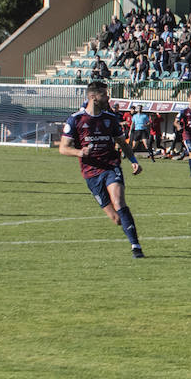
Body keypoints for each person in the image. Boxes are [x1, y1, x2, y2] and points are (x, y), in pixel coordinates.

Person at [58, 80, 145, 258]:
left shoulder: (110, 119)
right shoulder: (76, 119)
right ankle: (130, 233)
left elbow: (122, 143)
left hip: (111, 166)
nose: (108, 97)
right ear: (93, 97)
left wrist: (133, 160)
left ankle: (136, 247)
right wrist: (80, 152)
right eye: (104, 94)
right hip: (90, 172)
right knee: (116, 218)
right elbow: (63, 148)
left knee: (119, 201)